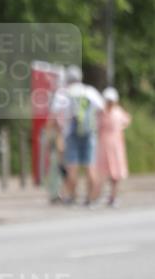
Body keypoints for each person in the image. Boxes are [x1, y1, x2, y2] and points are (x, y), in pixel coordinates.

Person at [50, 65, 104, 205]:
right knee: (90, 166)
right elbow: (102, 110)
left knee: (71, 167)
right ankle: (91, 198)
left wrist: (57, 130)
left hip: (70, 133)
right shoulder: (90, 91)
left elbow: (54, 116)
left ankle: (72, 196)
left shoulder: (63, 94)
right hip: (89, 133)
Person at [96, 87, 131, 207]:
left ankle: (107, 196)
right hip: (114, 144)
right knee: (112, 172)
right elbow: (127, 121)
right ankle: (110, 196)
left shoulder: (102, 112)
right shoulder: (117, 112)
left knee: (108, 172)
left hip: (107, 143)